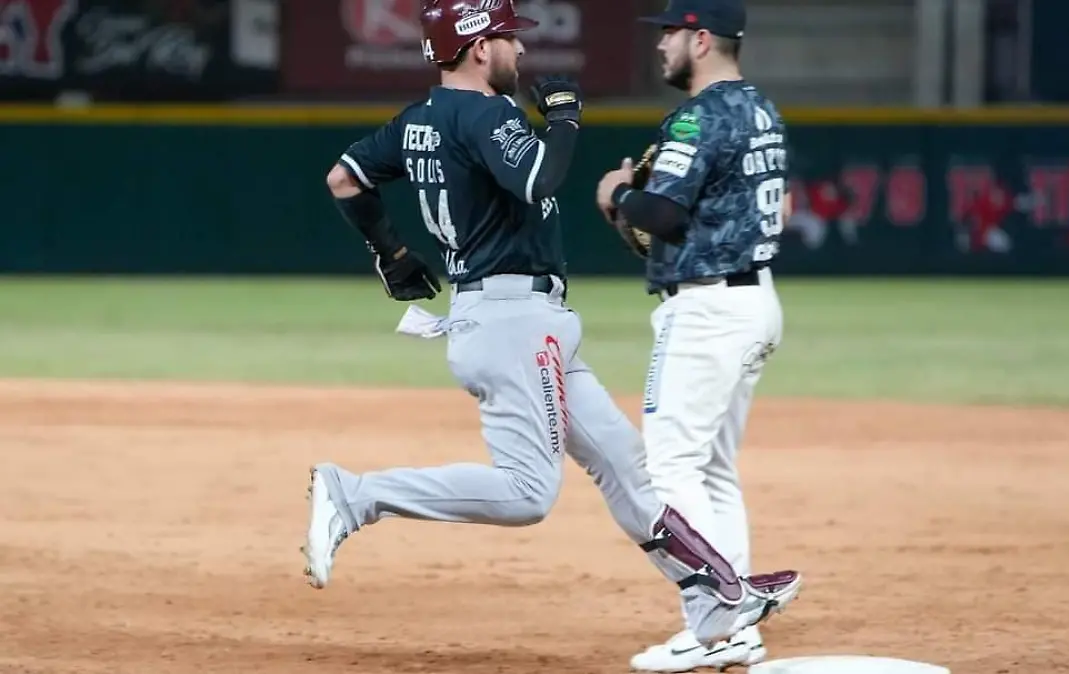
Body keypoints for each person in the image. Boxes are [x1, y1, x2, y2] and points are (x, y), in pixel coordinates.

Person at [303, 0, 801, 649]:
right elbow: (540, 179)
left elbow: (345, 179)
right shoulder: (486, 112)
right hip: (513, 322)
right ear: (480, 47)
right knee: (527, 493)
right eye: (509, 38)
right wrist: (564, 118)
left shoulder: (419, 119)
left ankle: (712, 601)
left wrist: (391, 254)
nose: (520, 52)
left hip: (510, 318)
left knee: (626, 464)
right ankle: (356, 495)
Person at [595, 0, 792, 670]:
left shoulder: (699, 115)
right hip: (753, 301)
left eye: (670, 35)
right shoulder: (761, 107)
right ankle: (736, 623)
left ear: (701, 40)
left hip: (708, 313)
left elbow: (663, 215)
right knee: (712, 467)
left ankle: (711, 621)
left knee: (671, 467)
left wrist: (619, 192)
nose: (660, 47)